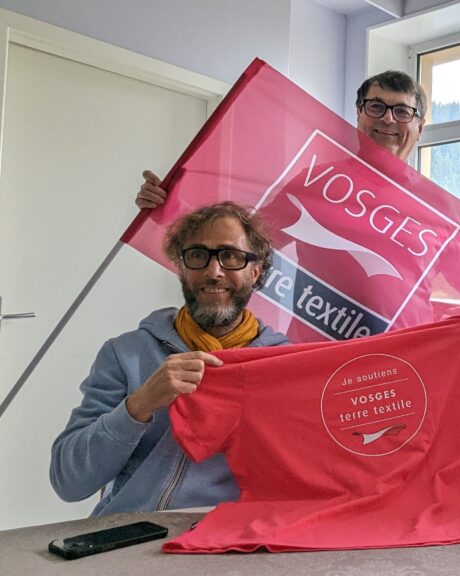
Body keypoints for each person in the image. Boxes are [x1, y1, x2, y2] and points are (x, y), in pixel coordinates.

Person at [50, 202, 288, 515]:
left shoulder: (282, 367)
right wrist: (139, 405)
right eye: (198, 255)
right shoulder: (125, 353)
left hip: (225, 536)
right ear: (181, 267)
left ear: (255, 272)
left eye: (231, 256)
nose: (213, 272)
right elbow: (68, 482)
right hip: (126, 533)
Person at [135, 70, 427, 208]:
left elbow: (457, 285)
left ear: (420, 127)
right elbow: (247, 240)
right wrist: (170, 206)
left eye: (403, 111)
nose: (388, 119)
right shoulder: (316, 183)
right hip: (316, 318)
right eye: (376, 107)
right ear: (359, 114)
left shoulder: (437, 209)